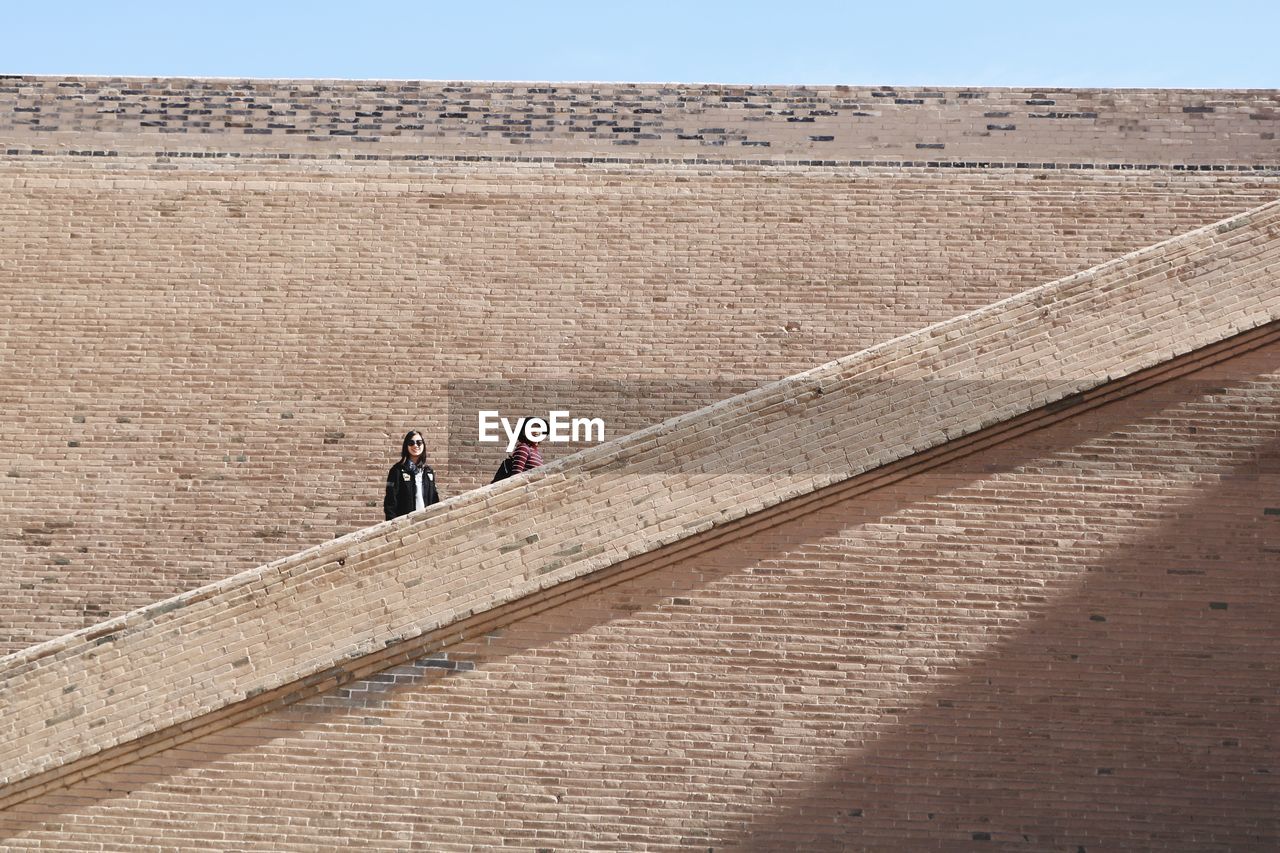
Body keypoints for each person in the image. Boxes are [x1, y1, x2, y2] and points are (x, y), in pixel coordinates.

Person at [384, 430, 440, 520]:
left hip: (426, 522)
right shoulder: (397, 471)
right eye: (411, 443)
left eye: (419, 442)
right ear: (406, 446)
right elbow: (390, 501)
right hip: (405, 524)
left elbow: (435, 500)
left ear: (423, 445)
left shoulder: (428, 471)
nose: (415, 446)